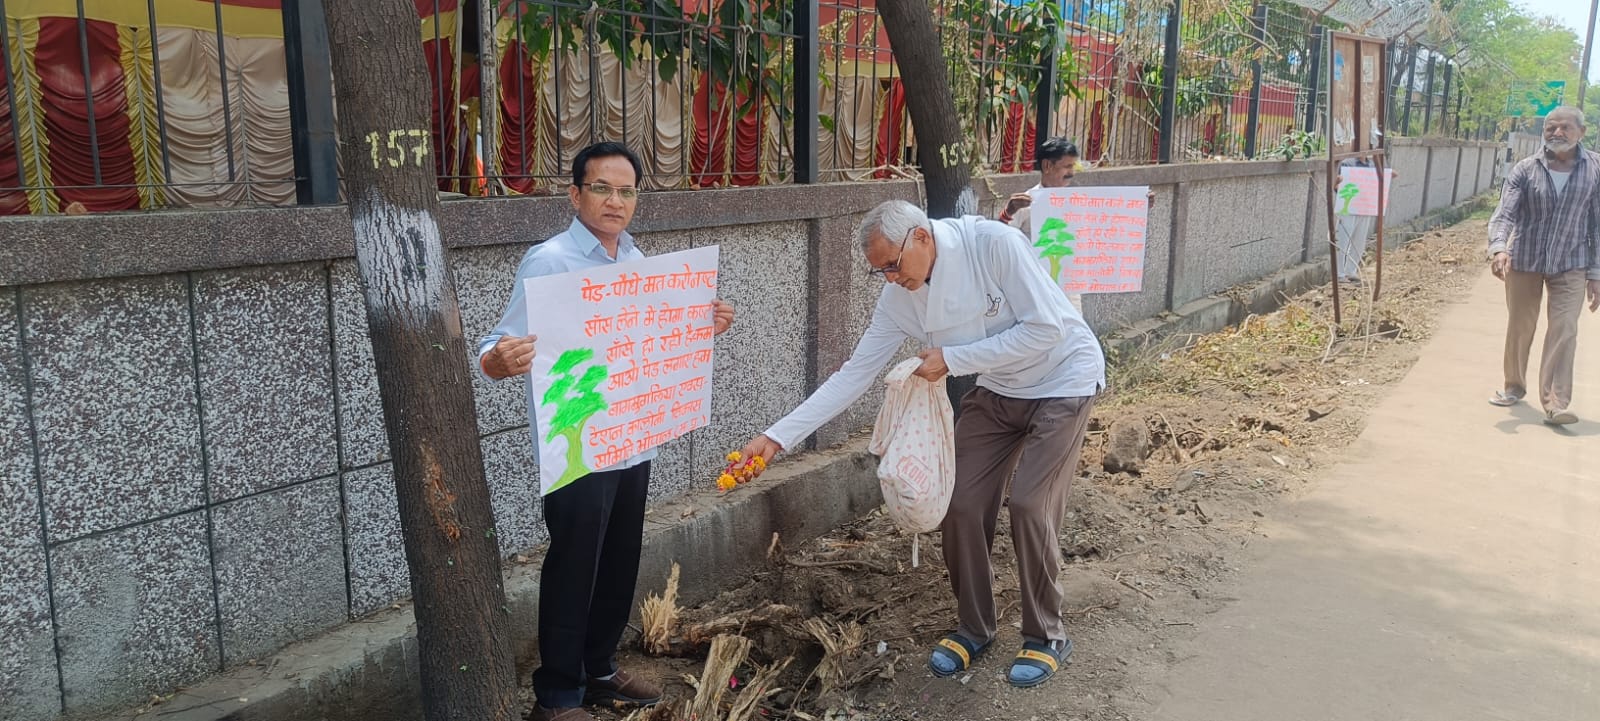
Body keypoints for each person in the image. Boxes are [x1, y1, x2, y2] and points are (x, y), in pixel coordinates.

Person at [741, 199, 1105, 690]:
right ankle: (975, 627)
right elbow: (855, 374)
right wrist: (776, 437)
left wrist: (954, 359)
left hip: (1063, 378)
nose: (891, 277)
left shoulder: (992, 245)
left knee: (1028, 503)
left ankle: (1047, 633)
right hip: (1000, 388)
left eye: (893, 264)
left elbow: (1047, 328)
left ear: (922, 237)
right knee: (957, 500)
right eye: (880, 271)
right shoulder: (899, 297)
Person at [478, 141, 736, 721]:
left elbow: (645, 335)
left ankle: (598, 670)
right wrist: (497, 360)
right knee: (575, 563)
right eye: (601, 188)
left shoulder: (634, 258)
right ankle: (557, 696)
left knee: (618, 559)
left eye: (626, 191)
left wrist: (702, 323)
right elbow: (495, 341)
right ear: (575, 194)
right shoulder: (550, 261)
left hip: (630, 435)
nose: (614, 201)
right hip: (577, 444)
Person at [1485, 106, 1600, 425]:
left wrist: (1596, 272)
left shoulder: (1595, 169)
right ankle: (1514, 386)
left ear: (1582, 132)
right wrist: (1498, 249)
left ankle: (1556, 403)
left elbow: (1597, 225)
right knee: (1520, 325)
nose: (1557, 133)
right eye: (1550, 127)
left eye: (1564, 127)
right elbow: (1505, 213)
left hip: (1572, 261)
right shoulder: (1525, 169)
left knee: (1565, 327)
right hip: (1526, 258)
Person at [998, 137, 1157, 312]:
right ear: (1047, 166)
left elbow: (1107, 223)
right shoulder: (1027, 201)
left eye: (1073, 167)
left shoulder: (1078, 201)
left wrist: (1139, 206)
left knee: (1075, 332)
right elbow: (999, 237)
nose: (1071, 172)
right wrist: (1009, 211)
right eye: (1067, 166)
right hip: (1036, 288)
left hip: (1070, 288)